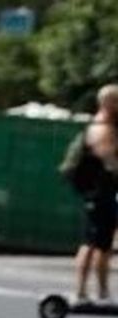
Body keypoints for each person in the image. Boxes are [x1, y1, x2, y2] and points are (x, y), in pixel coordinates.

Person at [72, 85, 118, 305]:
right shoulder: (101, 127)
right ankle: (80, 292)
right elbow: (109, 161)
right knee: (90, 243)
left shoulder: (108, 126)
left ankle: (102, 292)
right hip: (98, 193)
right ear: (107, 103)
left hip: (105, 193)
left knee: (103, 245)